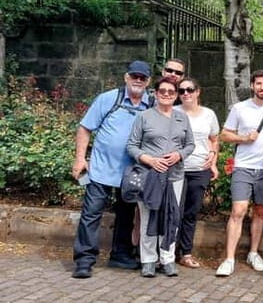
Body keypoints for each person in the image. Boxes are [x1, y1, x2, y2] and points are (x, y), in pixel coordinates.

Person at [71, 60, 153, 278]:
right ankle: (84, 260)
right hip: (101, 169)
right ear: (126, 77)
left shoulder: (152, 104)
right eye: (134, 76)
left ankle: (120, 255)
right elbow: (85, 128)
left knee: (126, 215)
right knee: (91, 214)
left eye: (142, 78)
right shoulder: (108, 99)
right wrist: (80, 159)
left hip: (132, 172)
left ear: (148, 81)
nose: (138, 80)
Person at [216, 70, 263, 276]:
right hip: (243, 166)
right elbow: (224, 135)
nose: (262, 87)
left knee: (261, 211)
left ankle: (253, 253)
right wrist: (244, 139)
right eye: (258, 83)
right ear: (252, 85)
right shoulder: (240, 108)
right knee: (238, 210)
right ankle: (229, 258)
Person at [127, 77, 195, 277]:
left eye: (171, 92)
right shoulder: (144, 117)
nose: (166, 94)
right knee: (148, 217)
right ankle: (148, 260)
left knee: (171, 217)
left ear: (175, 96)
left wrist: (179, 155)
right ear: (156, 93)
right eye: (162, 91)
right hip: (150, 176)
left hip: (175, 176)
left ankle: (167, 259)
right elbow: (132, 145)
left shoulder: (182, 118)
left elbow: (190, 144)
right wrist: (149, 159)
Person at [175, 78, 219, 269]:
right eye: (182, 90)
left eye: (190, 89)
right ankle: (167, 252)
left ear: (198, 92)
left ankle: (185, 253)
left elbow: (214, 139)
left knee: (191, 213)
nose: (186, 93)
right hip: (176, 169)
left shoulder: (209, 114)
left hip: (200, 169)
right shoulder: (172, 112)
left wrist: (213, 160)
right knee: (173, 212)